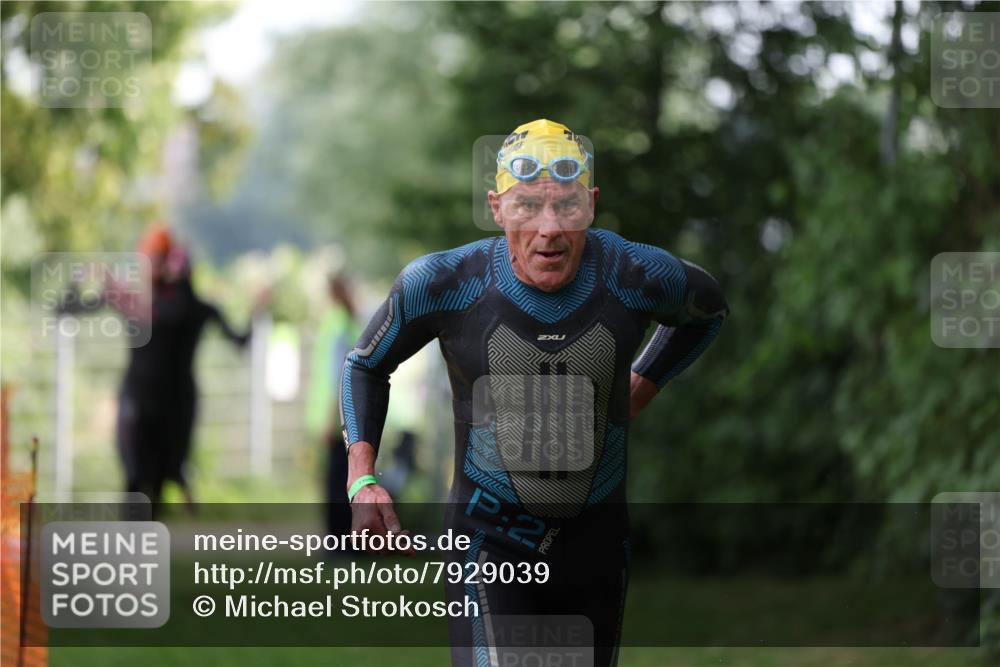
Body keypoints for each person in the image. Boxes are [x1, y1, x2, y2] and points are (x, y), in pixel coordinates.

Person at [340, 119, 729, 666]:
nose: (549, 228)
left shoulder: (634, 274)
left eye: (566, 206)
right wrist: (363, 478)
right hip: (489, 541)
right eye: (527, 205)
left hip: (597, 545)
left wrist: (640, 386)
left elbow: (707, 313)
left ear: (591, 205)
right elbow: (364, 365)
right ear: (497, 208)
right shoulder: (446, 283)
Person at [305, 271, 361, 547]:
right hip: (346, 415)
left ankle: (339, 543)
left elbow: (337, 375)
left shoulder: (337, 324)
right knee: (344, 480)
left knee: (336, 483)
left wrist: (330, 419)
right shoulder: (347, 321)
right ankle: (346, 541)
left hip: (336, 417)